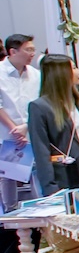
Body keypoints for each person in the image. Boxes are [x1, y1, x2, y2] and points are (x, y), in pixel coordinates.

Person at [27, 53, 79, 196]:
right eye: (73, 68)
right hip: (66, 176)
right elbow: (41, 151)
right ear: (60, 73)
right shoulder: (40, 107)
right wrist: (50, 189)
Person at [0, 33, 39, 211]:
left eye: (33, 49)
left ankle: (40, 211)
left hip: (30, 130)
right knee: (7, 174)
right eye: (28, 50)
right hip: (7, 133)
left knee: (36, 171)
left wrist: (26, 127)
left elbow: (39, 104)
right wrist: (14, 129)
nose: (32, 53)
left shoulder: (36, 75)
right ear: (13, 51)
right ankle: (10, 213)